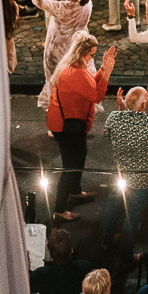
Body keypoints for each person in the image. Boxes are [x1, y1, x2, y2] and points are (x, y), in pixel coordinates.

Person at [45, 35, 116, 220]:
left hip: (69, 123)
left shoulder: (74, 67)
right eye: (91, 55)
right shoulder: (74, 72)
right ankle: (59, 210)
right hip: (66, 126)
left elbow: (89, 82)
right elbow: (96, 95)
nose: (92, 58)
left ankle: (75, 191)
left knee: (80, 155)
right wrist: (107, 73)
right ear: (82, 53)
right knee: (71, 166)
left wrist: (101, 69)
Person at [100, 86, 148, 261]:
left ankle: (106, 241)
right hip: (141, 181)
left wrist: (120, 109)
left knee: (112, 208)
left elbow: (107, 135)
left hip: (119, 177)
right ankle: (126, 258)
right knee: (132, 217)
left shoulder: (113, 118)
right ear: (144, 105)